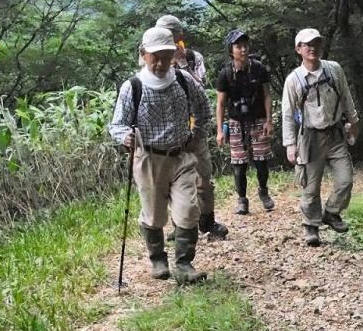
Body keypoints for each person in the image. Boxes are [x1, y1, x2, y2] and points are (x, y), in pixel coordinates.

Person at [108, 26, 211, 284]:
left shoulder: (184, 81)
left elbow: (204, 108)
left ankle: (184, 264)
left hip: (181, 156)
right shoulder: (133, 87)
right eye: (156, 57)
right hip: (150, 158)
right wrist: (125, 137)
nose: (162, 63)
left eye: (167, 56)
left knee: (188, 210)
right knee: (154, 215)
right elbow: (117, 124)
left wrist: (195, 134)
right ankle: (157, 259)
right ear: (144, 55)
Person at [282, 28, 360, 246]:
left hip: (335, 134)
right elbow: (288, 114)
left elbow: (346, 97)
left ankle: (332, 212)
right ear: (298, 49)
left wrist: (354, 122)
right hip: (309, 137)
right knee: (310, 185)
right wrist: (290, 144)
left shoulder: (334, 70)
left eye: (316, 42)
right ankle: (311, 226)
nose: (312, 47)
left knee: (345, 179)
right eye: (307, 44)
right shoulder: (294, 80)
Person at [156, 14, 228, 240]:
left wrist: (182, 63)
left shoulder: (194, 57)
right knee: (171, 181)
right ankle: (180, 225)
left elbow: (200, 87)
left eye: (171, 33)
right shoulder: (155, 59)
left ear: (179, 35)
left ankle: (208, 221)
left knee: (203, 177)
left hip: (194, 127)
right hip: (169, 130)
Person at [215, 29, 275, 214]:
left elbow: (266, 95)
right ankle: (242, 199)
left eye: (245, 45)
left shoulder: (258, 68)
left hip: (258, 118)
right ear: (231, 50)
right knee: (238, 164)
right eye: (238, 46)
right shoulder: (226, 74)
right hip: (236, 122)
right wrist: (219, 130)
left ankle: (264, 192)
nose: (242, 49)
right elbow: (220, 103)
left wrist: (269, 120)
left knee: (261, 160)